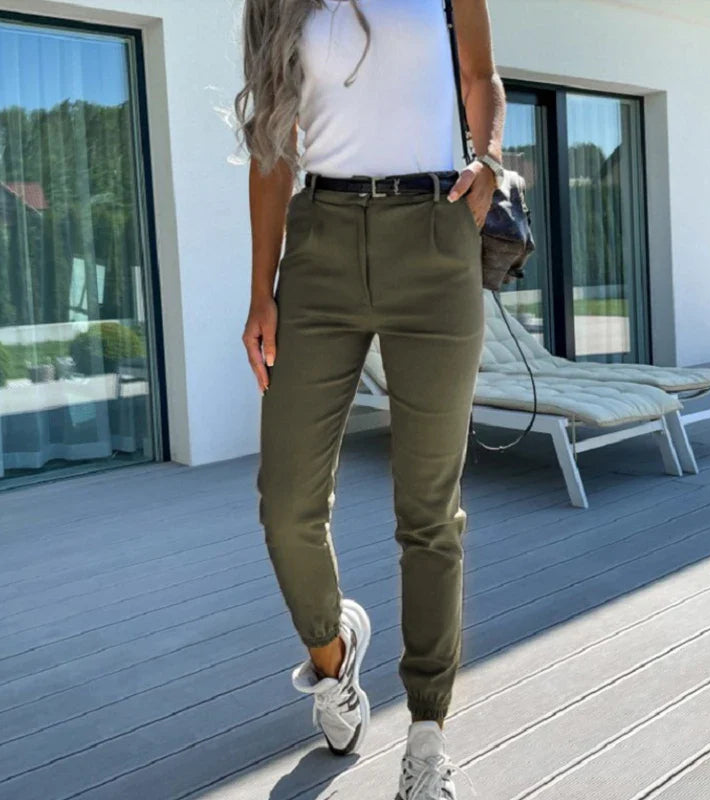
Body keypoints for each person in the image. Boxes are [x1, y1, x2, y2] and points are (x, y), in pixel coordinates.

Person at [237, 1, 505, 797]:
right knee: (285, 503)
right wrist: (261, 290)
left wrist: (489, 157)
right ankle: (332, 658)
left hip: (435, 232)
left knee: (428, 509)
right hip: (319, 243)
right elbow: (270, 143)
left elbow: (478, 75)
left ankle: (427, 736)